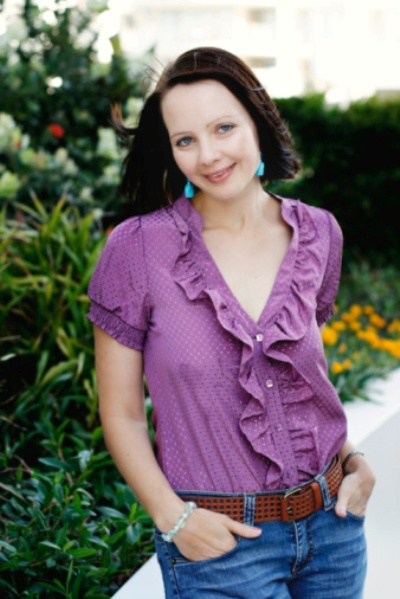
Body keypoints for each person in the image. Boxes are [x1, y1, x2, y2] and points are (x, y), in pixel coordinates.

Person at [87, 47, 375, 599]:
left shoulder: (320, 233)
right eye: (185, 140)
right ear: (170, 151)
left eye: (224, 128)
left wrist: (354, 459)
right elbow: (121, 413)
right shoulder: (136, 250)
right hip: (220, 549)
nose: (209, 155)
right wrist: (174, 519)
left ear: (258, 122)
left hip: (335, 530)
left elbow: (302, 384)